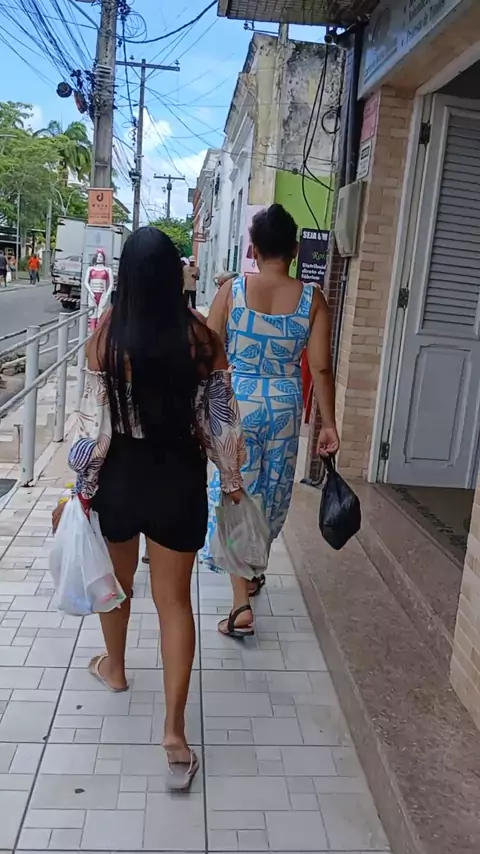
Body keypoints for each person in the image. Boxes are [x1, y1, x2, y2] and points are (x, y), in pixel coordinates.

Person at [54, 227, 244, 790]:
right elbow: (220, 421)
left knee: (117, 587)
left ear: (126, 277)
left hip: (120, 477)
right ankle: (175, 734)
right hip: (179, 477)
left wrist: (79, 489)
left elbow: (92, 427)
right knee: (174, 603)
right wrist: (232, 481)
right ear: (176, 276)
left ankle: (114, 669)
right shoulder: (202, 339)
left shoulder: (107, 338)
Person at [201, 204, 339, 637]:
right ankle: (251, 575)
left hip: (237, 404)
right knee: (273, 490)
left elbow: (207, 348)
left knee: (235, 491)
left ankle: (241, 600)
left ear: (253, 249)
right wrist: (329, 423)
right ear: (295, 250)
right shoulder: (313, 299)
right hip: (283, 407)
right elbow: (321, 367)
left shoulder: (233, 291)